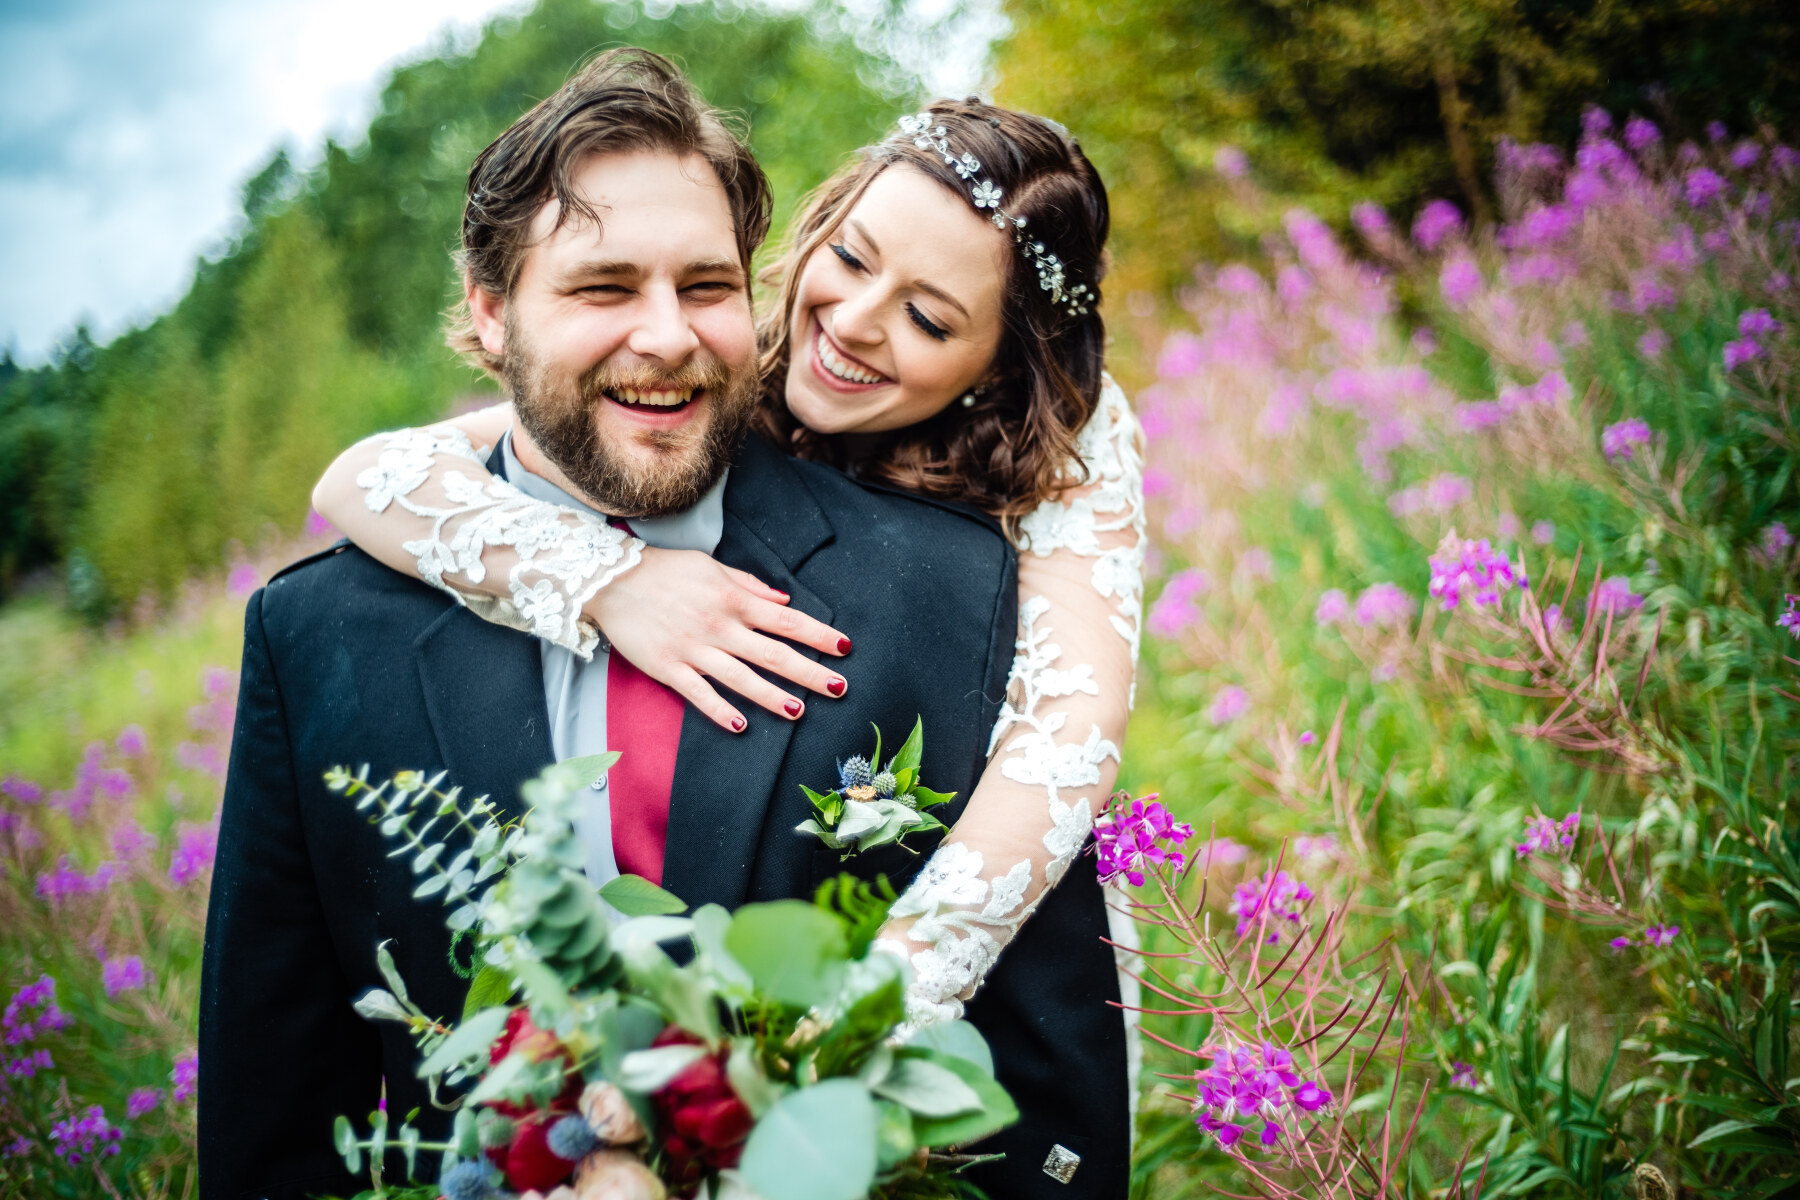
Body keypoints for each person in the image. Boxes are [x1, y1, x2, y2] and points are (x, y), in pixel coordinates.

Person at [209, 48, 1139, 1200]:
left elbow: (1070, 746)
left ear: (999, 364)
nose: (848, 323)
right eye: (603, 288)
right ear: (491, 317)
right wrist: (602, 576)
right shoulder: (318, 638)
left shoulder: (975, 579)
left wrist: (851, 1020)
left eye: (705, 287)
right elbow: (278, 1105)